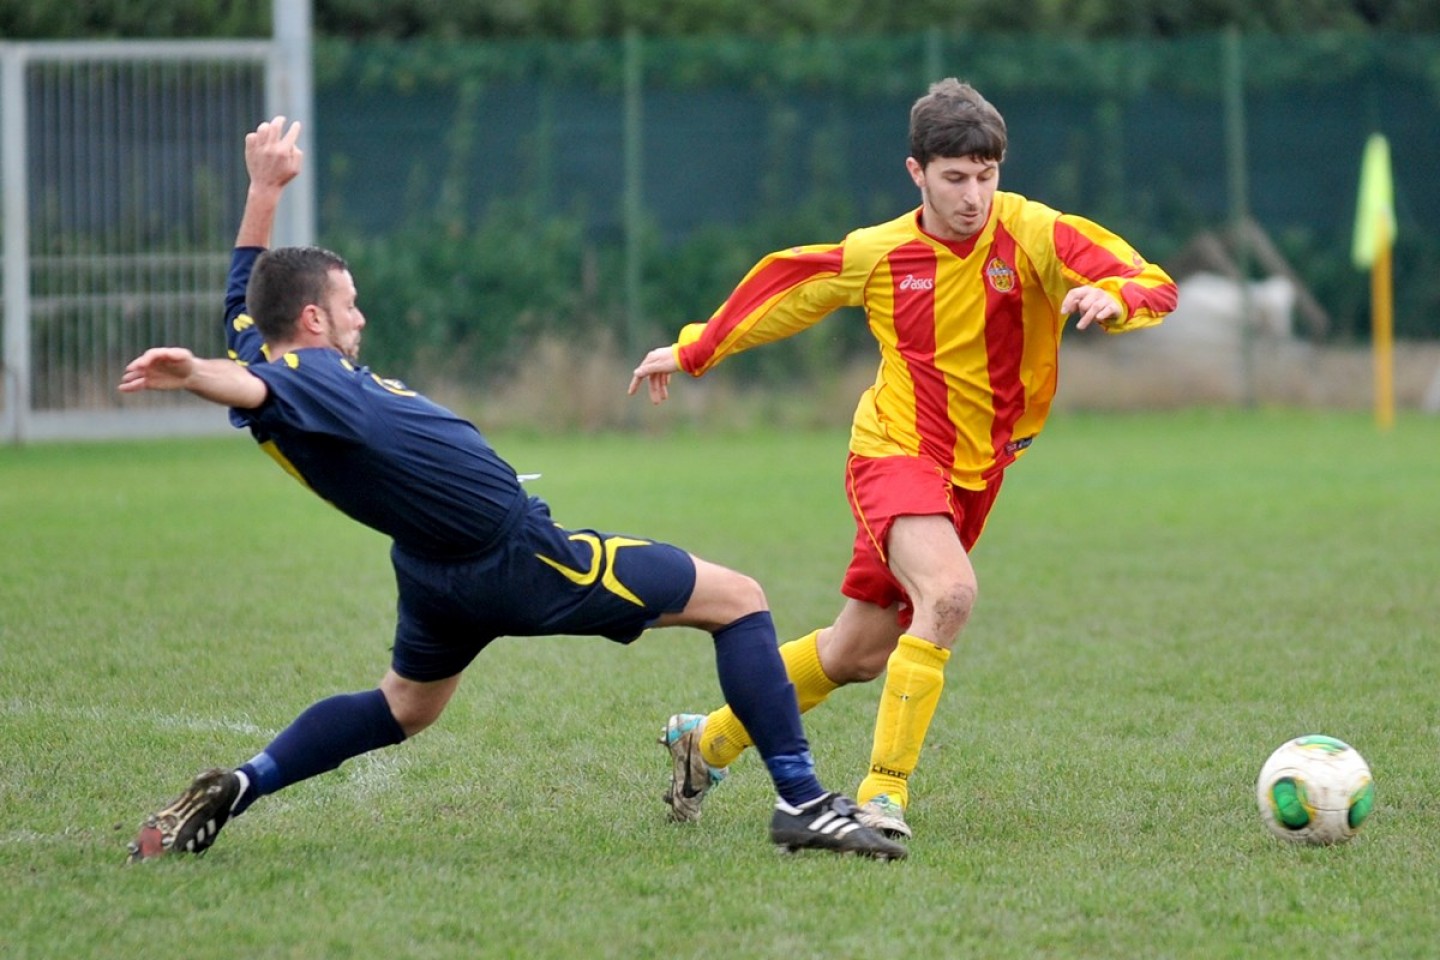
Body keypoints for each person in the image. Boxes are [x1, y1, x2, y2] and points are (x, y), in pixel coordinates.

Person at [120, 116, 906, 863]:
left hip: (432, 570)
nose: (361, 317)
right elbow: (250, 387)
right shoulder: (305, 379)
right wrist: (191, 375)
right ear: (315, 319)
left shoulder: (275, 354)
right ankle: (803, 802)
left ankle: (243, 783)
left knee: (404, 706)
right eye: (350, 304)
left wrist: (263, 192)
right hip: (518, 556)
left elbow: (239, 310)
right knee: (738, 599)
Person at [628, 78, 1178, 840]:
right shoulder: (882, 252)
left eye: (988, 176)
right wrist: (694, 348)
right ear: (916, 172)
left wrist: (1116, 300)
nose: (974, 196)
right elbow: (791, 286)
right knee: (948, 596)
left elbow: (1149, 280)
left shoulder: (1038, 233)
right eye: (955, 177)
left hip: (979, 471)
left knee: (855, 653)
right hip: (895, 452)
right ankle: (882, 794)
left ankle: (709, 740)